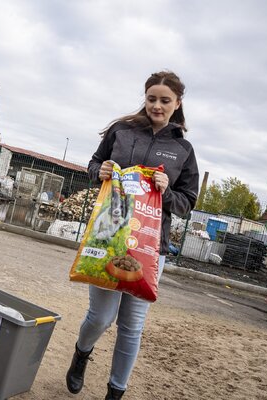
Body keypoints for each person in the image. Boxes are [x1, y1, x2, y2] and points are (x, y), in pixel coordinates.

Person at [66, 71, 199, 399]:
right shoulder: (121, 131)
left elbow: (186, 203)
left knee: (132, 326)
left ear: (177, 104)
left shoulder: (183, 149)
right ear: (145, 98)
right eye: (151, 98)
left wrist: (166, 192)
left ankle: (116, 391)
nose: (157, 105)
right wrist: (101, 171)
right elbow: (94, 164)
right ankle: (82, 353)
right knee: (100, 317)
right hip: (108, 235)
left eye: (165, 100)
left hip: (152, 247)